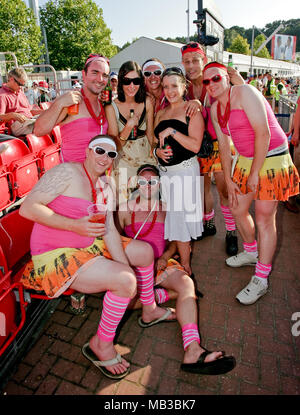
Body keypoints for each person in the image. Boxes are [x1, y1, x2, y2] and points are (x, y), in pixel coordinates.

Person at [19, 134, 176, 380]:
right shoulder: (66, 172)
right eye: (100, 150)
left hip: (90, 244)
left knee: (145, 253)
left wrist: (126, 267)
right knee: (125, 282)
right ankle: (101, 344)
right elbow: (27, 208)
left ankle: (150, 309)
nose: (105, 157)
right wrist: (74, 226)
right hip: (55, 254)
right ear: (88, 151)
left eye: (111, 154)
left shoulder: (106, 185)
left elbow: (111, 231)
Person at [117, 163, 236, 375]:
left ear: (159, 184)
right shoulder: (125, 208)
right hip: (134, 267)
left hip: (162, 265)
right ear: (136, 183)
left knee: (187, 284)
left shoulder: (167, 207)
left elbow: (174, 240)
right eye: (142, 182)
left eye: (152, 181)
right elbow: (115, 242)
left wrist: (164, 256)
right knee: (122, 304)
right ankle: (156, 299)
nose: (147, 186)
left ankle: (192, 348)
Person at [203, 61, 299, 305]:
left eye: (216, 78)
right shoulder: (215, 110)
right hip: (246, 160)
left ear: (227, 77)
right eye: (206, 81)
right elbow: (224, 147)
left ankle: (261, 279)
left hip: (272, 157)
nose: (211, 84)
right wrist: (231, 177)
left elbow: (264, 133)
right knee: (236, 207)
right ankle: (251, 251)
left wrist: (255, 172)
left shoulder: (245, 92)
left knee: (265, 217)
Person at [181, 41, 242, 255]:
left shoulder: (214, 79)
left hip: (221, 142)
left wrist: (239, 81)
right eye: (187, 62)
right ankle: (209, 223)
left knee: (225, 189)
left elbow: (239, 96)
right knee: (202, 188)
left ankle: (231, 232)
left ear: (203, 60)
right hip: (196, 144)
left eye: (195, 60)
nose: (191, 66)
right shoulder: (183, 86)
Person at [154, 67, 204, 275]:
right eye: (166, 86)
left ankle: (186, 268)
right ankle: (178, 257)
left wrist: (173, 132)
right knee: (174, 219)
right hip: (165, 174)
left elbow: (195, 146)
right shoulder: (160, 113)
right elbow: (154, 143)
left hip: (184, 174)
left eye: (174, 85)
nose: (170, 90)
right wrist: (157, 151)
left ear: (184, 86)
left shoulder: (191, 110)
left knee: (180, 221)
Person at [33, 53, 110, 163]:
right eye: (95, 73)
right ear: (84, 74)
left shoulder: (103, 103)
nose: (100, 79)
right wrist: (59, 103)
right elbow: (38, 130)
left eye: (105, 75)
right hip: (72, 175)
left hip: (98, 175)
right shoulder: (70, 101)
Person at [105, 61, 156, 205]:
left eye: (136, 81)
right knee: (125, 208)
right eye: (127, 81)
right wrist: (127, 128)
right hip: (123, 161)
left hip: (145, 159)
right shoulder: (111, 106)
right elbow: (114, 146)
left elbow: (151, 136)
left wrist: (159, 152)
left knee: (149, 205)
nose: (132, 86)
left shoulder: (147, 102)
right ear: (121, 82)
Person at [0, 68, 43, 136]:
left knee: (52, 119)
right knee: (45, 125)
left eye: (23, 85)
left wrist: (45, 112)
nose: (21, 87)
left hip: (29, 121)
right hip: (17, 125)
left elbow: (29, 111)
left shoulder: (20, 92)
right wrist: (13, 115)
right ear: (11, 79)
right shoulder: (2, 95)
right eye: (20, 84)